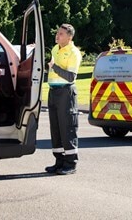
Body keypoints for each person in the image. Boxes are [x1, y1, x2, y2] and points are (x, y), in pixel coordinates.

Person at [45, 24, 82, 175]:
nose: (57, 35)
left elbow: (71, 76)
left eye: (61, 34)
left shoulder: (74, 53)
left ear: (69, 37)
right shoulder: (55, 49)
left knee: (67, 127)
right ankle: (59, 161)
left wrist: (54, 67)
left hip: (66, 92)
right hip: (53, 91)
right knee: (56, 128)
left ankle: (71, 163)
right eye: (57, 33)